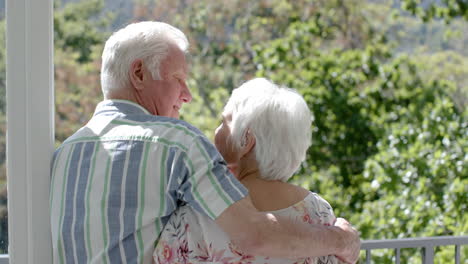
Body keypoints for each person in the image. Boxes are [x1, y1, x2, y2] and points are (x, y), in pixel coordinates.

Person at [50, 21, 360, 264]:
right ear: (139, 73)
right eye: (178, 79)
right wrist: (341, 240)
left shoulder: (64, 154)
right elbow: (253, 234)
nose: (187, 95)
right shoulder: (177, 143)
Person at [153, 78, 345, 264]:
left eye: (224, 122)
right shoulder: (319, 211)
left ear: (246, 140)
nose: (216, 131)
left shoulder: (201, 211)